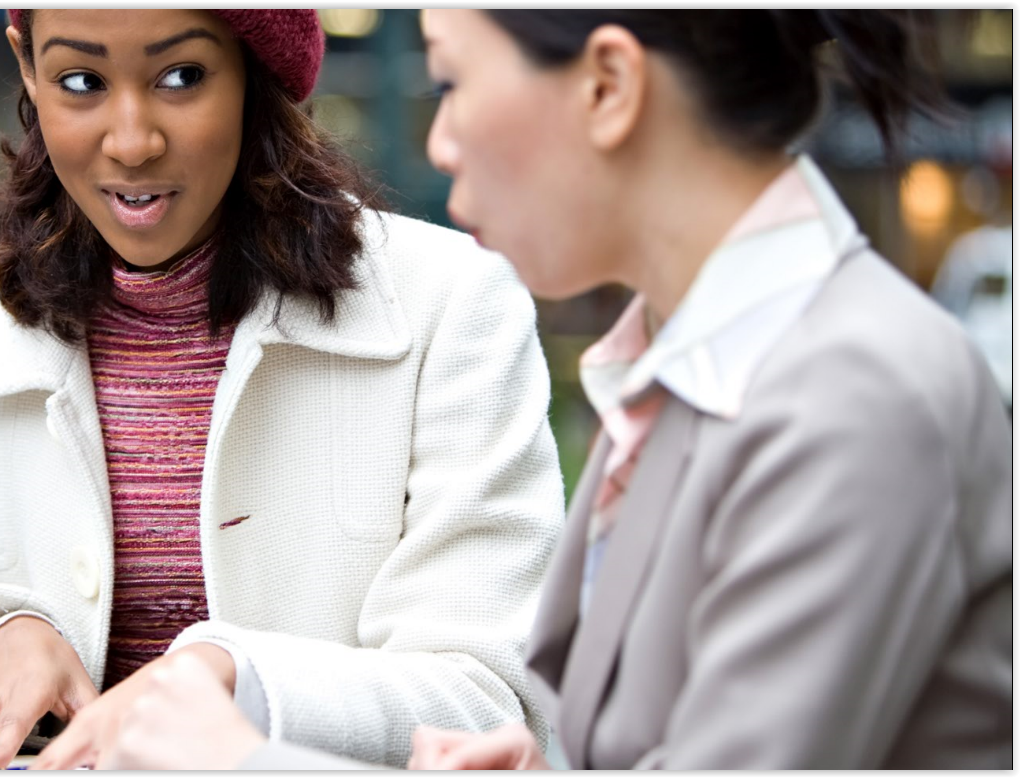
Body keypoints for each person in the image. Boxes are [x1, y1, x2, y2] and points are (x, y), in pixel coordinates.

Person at [104, 9, 1012, 770]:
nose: (439, 143)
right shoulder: (687, 377)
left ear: (608, 86)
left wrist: (238, 759)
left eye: (452, 82)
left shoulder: (852, 399)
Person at [0, 9, 567, 771]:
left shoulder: (452, 306)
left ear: (252, 70)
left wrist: (236, 679)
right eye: (81, 81)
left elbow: (496, 700)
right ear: (28, 69)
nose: (132, 141)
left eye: (182, 76)